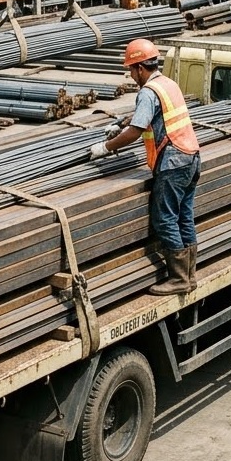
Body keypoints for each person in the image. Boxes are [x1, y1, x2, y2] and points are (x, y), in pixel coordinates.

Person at [88, 38, 201, 295]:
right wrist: (123, 121)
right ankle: (189, 275)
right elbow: (149, 116)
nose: (131, 75)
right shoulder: (167, 84)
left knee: (165, 220)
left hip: (173, 163)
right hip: (192, 157)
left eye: (131, 69)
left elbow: (137, 131)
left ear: (140, 68)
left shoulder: (148, 92)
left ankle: (179, 279)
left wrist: (105, 148)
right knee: (184, 216)